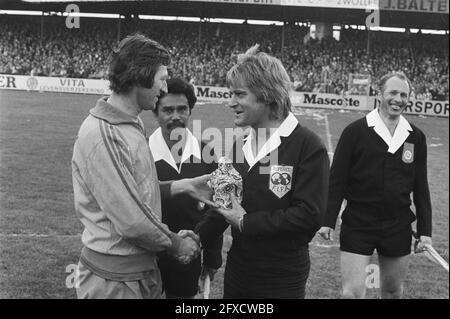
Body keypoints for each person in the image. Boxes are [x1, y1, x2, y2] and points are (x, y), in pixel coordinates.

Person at [71, 34, 215, 299]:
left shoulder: (129, 125)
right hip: (115, 281)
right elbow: (132, 221)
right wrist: (177, 244)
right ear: (141, 76)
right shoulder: (106, 133)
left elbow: (137, 191)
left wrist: (181, 186)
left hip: (136, 275)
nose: (163, 88)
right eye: (161, 79)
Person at [197, 45, 330, 299]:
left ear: (266, 94)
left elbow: (309, 215)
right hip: (238, 269)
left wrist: (247, 222)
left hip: (282, 276)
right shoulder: (239, 144)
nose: (231, 102)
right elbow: (223, 203)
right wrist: (195, 238)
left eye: (239, 94)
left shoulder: (308, 146)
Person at [318, 72, 433, 299]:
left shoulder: (415, 137)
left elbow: (421, 187)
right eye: (393, 93)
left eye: (404, 94)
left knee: (392, 291)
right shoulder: (355, 131)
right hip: (358, 222)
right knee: (352, 293)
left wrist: (425, 231)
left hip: (398, 225)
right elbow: (337, 180)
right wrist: (327, 220)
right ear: (379, 94)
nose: (398, 99)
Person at [148, 78, 223, 299]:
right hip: (146, 256)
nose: (176, 116)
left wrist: (211, 258)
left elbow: (216, 207)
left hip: (188, 254)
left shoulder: (206, 152)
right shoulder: (141, 152)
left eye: (182, 109)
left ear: (190, 111)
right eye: (167, 110)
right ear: (156, 113)